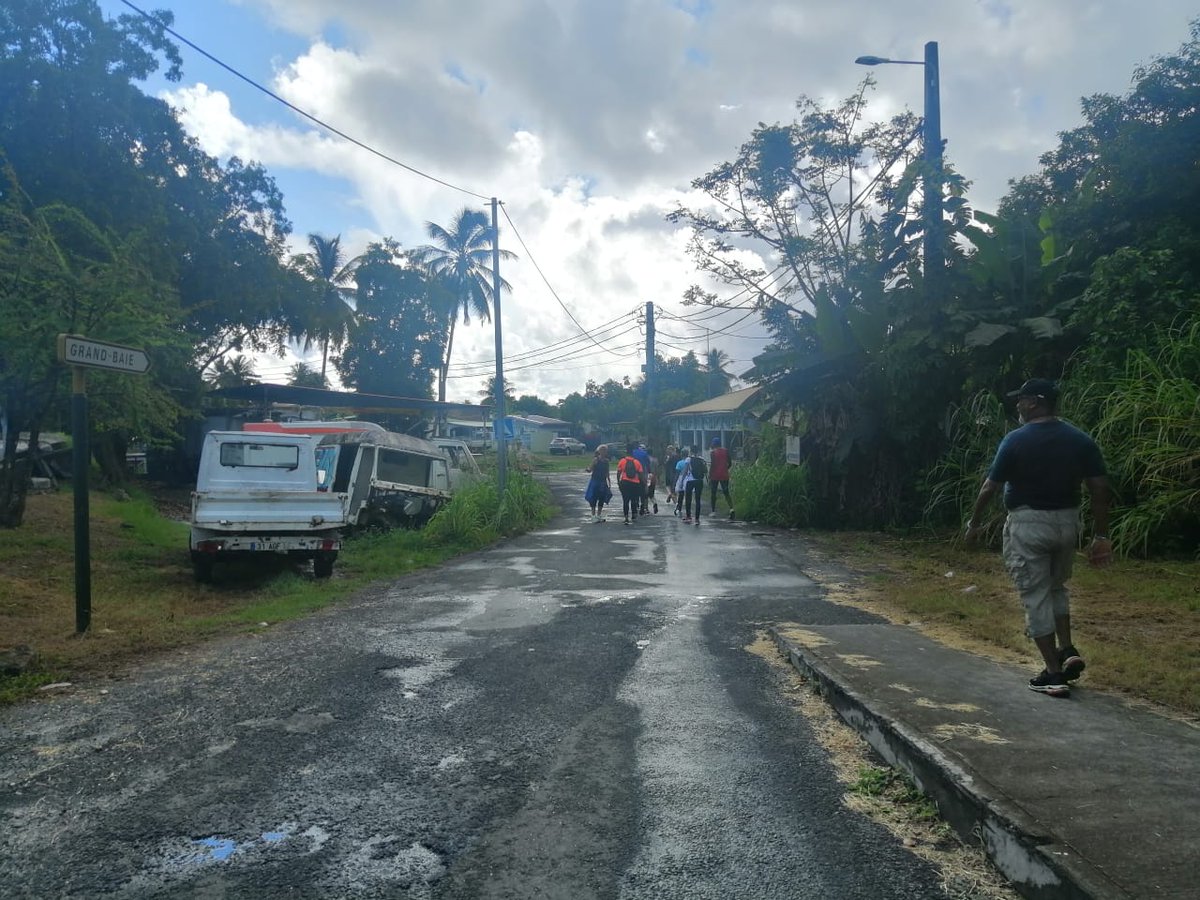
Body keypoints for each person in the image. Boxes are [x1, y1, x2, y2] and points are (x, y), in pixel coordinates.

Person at [965, 378, 1111, 698]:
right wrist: (1101, 535)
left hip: (1028, 524)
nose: (1017, 405)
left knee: (1035, 595)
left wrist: (973, 524)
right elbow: (1099, 487)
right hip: (1067, 523)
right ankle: (1067, 648)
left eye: (1022, 400)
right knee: (1056, 587)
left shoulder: (1016, 440)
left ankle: (1053, 675)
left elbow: (989, 487)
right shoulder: (1080, 440)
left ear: (1034, 402)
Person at [616, 443, 645, 525]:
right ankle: (634, 515)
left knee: (625, 501)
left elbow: (619, 472)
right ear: (633, 453)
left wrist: (618, 481)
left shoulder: (622, 461)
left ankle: (626, 518)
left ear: (626, 452)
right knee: (634, 500)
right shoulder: (637, 462)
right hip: (635, 483)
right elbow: (641, 474)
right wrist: (644, 483)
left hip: (625, 483)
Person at [584, 445, 612, 523]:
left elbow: (607, 473)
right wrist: (587, 469)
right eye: (602, 450)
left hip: (603, 482)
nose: (604, 452)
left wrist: (609, 482)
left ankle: (598, 515)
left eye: (605, 450)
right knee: (594, 497)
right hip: (595, 481)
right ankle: (593, 516)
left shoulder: (606, 461)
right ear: (599, 451)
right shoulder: (595, 460)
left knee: (602, 498)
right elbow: (590, 469)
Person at [708, 437, 733, 518]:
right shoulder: (726, 451)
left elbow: (713, 465)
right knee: (726, 492)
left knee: (713, 493)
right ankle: (731, 509)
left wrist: (709, 475)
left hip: (715, 475)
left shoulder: (713, 453)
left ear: (713, 444)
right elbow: (730, 463)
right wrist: (725, 469)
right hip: (724, 474)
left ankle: (713, 511)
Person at [683, 446, 706, 525]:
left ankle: (688, 516)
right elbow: (705, 470)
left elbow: (685, 471)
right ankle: (697, 519)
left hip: (690, 480)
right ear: (698, 451)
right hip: (699, 481)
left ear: (691, 451)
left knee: (688, 498)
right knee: (698, 499)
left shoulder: (688, 459)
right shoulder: (702, 459)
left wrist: (682, 480)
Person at [632, 443, 653, 515]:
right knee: (643, 490)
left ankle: (636, 504)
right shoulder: (645, 454)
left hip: (633, 474)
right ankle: (643, 505)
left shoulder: (632, 452)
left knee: (634, 490)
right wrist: (650, 472)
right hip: (642, 473)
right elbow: (648, 464)